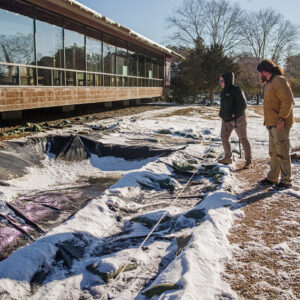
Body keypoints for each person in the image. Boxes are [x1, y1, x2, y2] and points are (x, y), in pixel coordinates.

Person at [257, 59, 294, 190]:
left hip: (281, 124)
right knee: (273, 152)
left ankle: (286, 181)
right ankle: (272, 178)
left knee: (282, 152)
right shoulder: (268, 83)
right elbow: (271, 105)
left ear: (264, 71)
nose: (258, 75)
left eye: (259, 73)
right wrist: (267, 120)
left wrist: (281, 119)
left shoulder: (279, 80)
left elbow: (287, 100)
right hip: (272, 124)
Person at [218, 72, 252, 169]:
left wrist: (234, 114)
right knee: (224, 137)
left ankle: (248, 160)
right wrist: (222, 114)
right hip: (226, 120)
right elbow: (223, 106)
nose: (220, 83)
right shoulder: (223, 92)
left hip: (238, 119)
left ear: (227, 80)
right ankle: (228, 157)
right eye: (220, 81)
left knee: (243, 139)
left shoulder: (237, 90)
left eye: (222, 81)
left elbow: (243, 105)